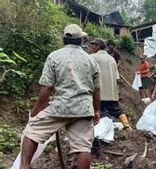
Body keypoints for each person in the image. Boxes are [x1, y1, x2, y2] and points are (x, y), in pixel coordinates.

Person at [20, 24, 101, 169]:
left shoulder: (54, 56)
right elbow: (96, 89)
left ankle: (24, 166)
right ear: (81, 39)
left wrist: (37, 109)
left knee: (31, 131)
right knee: (83, 147)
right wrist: (96, 111)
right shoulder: (91, 60)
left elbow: (47, 87)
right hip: (83, 109)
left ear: (64, 38)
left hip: (60, 107)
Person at [89, 38, 132, 132]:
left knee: (96, 112)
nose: (91, 47)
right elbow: (116, 77)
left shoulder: (92, 58)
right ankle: (128, 127)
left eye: (93, 45)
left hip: (98, 92)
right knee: (117, 111)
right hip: (111, 92)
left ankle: (97, 133)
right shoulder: (112, 59)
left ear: (97, 46)